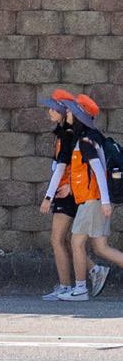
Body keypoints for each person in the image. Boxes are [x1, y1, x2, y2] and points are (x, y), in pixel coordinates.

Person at [59, 94, 123, 302]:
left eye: (71, 111)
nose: (67, 113)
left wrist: (104, 201)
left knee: (76, 242)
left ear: (79, 116)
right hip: (95, 200)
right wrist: (71, 187)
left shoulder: (85, 141)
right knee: (101, 248)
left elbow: (98, 171)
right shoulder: (91, 138)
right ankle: (80, 287)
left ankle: (80, 289)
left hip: (92, 201)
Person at [38, 88, 86, 301]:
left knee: (57, 239)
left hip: (65, 192)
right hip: (65, 190)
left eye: (54, 109)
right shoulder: (63, 133)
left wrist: (48, 197)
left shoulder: (67, 134)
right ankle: (73, 281)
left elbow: (61, 168)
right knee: (62, 240)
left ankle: (67, 286)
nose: (50, 111)